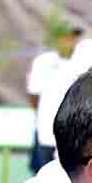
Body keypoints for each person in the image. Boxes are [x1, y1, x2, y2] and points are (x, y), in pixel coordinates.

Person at [26, 14, 83, 173]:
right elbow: (33, 95)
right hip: (45, 130)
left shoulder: (82, 64)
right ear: (56, 39)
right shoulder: (42, 62)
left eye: (73, 37)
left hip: (71, 134)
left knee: (70, 178)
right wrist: (45, 117)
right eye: (66, 37)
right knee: (43, 177)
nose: (70, 41)